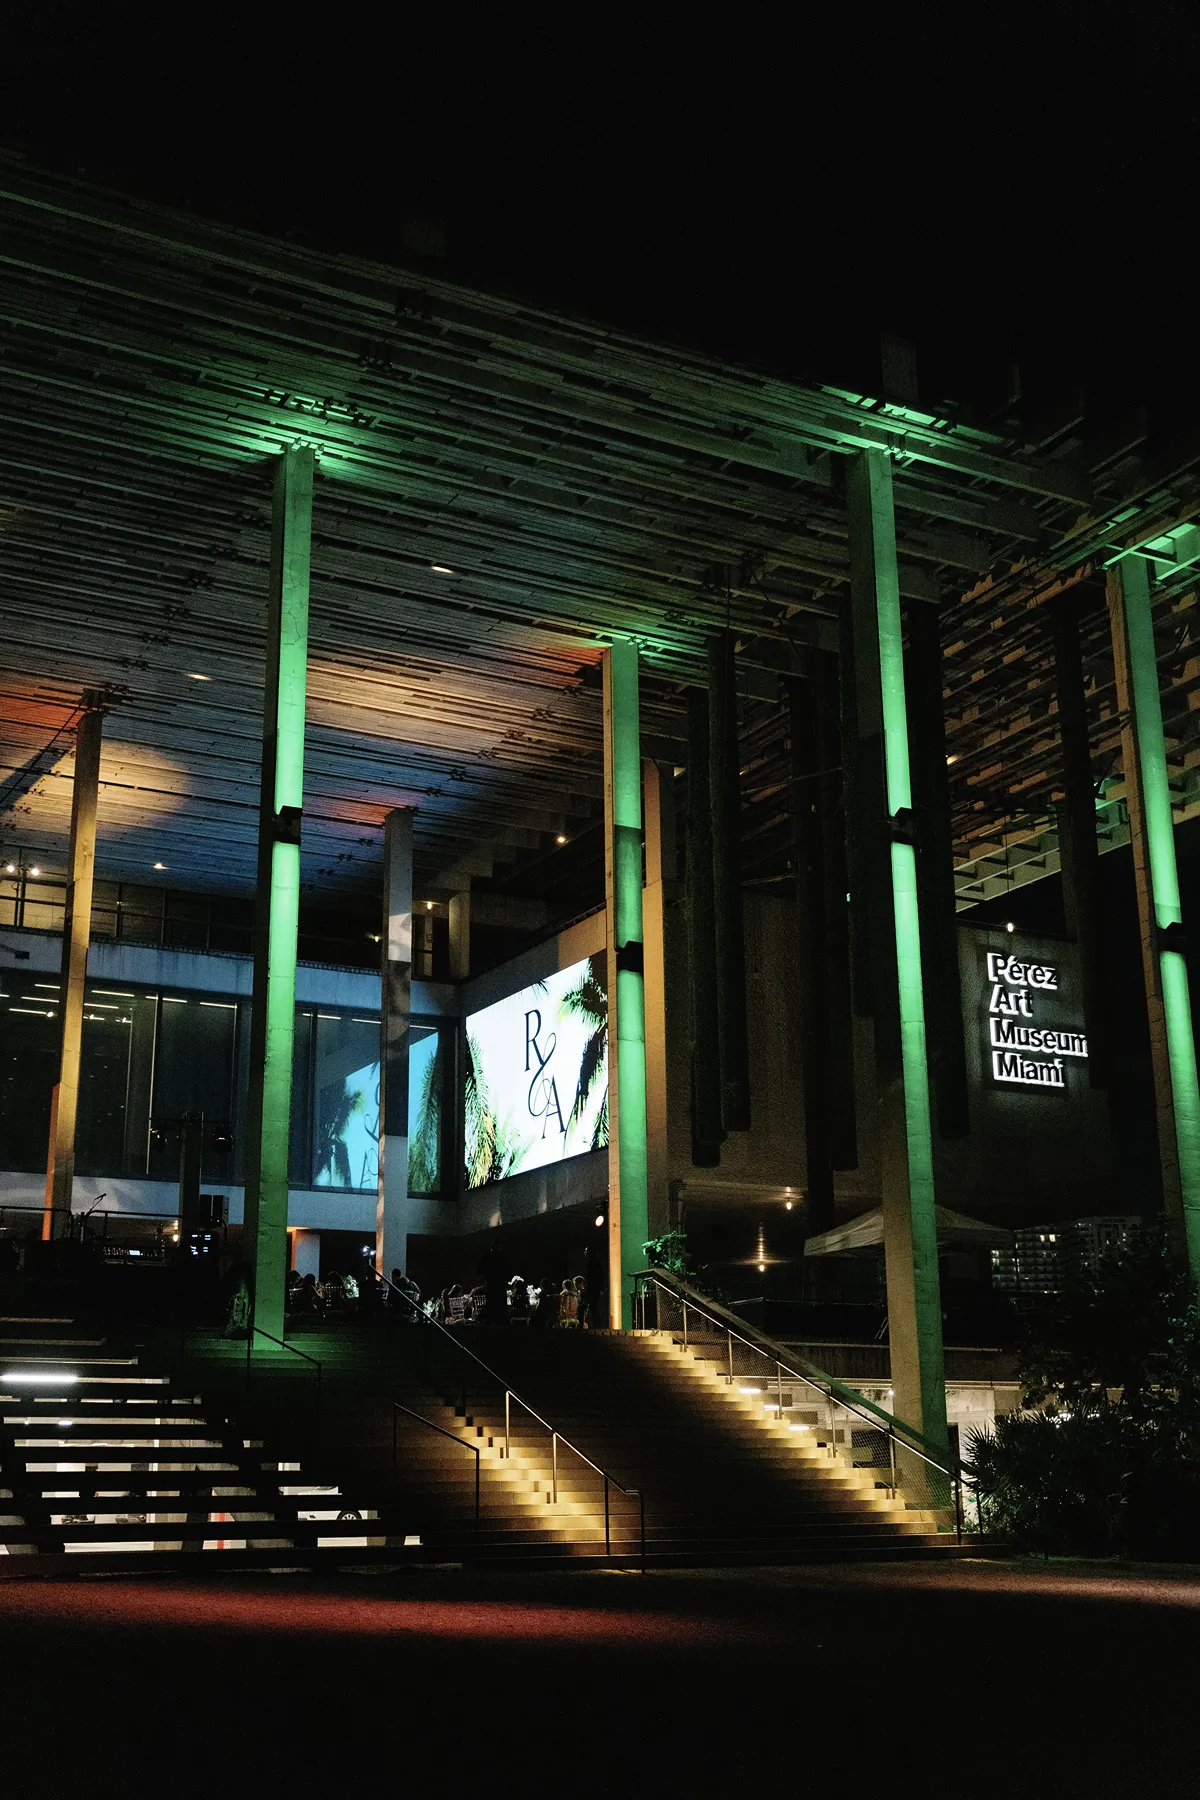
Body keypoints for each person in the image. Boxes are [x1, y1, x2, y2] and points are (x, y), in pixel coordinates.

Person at [479, 1239, 510, 1328]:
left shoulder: (487, 1257)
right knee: (501, 1302)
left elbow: (480, 1269)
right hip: (500, 1284)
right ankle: (502, 1321)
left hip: (491, 1283)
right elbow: (508, 1269)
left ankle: (491, 1320)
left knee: (491, 1302)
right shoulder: (503, 1257)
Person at [582, 1237, 608, 1330]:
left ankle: (595, 1326)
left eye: (586, 1251)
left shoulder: (590, 1264)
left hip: (592, 1289)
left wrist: (587, 1287)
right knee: (593, 1307)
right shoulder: (597, 1264)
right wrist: (601, 1288)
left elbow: (591, 1277)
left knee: (592, 1307)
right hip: (595, 1289)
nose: (585, 1253)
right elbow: (601, 1276)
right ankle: (596, 1325)